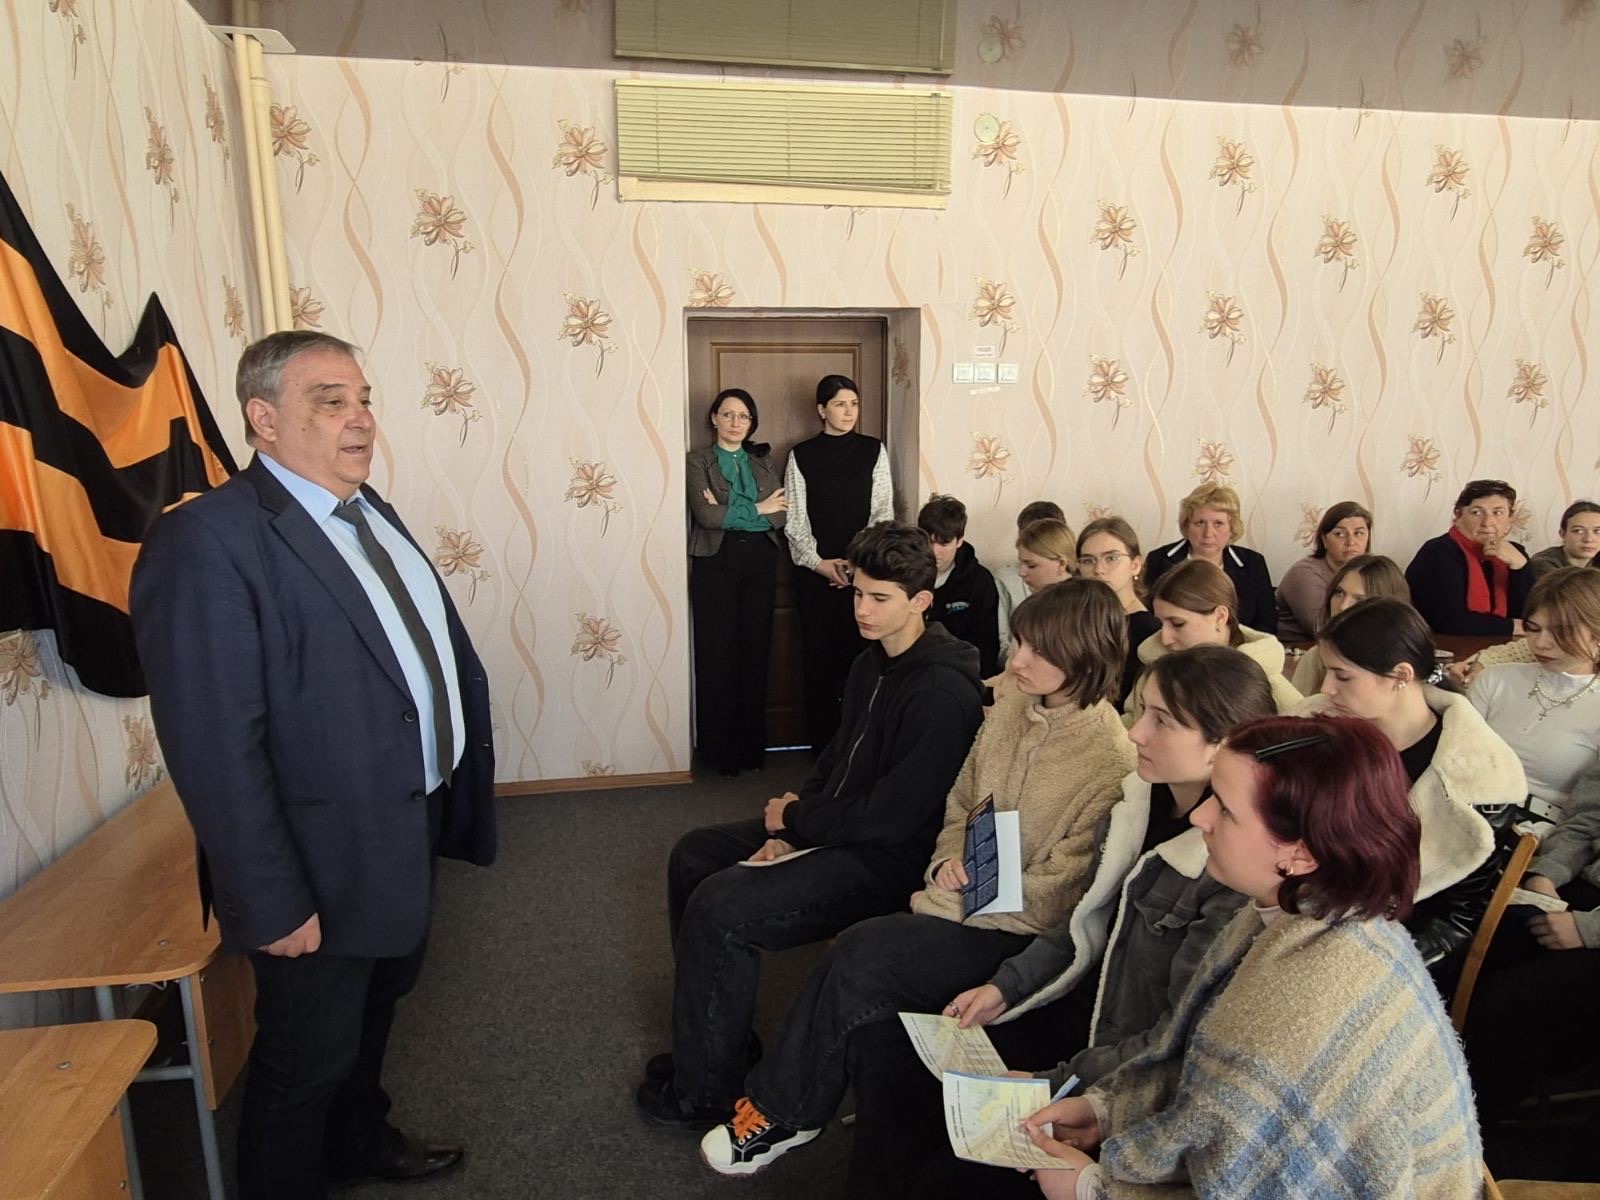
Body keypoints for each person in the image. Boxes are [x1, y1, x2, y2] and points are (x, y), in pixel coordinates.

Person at [129, 332, 496, 1199]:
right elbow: (215, 745)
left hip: (401, 820)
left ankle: (355, 1141)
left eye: (363, 399)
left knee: (377, 1008)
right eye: (331, 402)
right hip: (314, 860)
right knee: (305, 1059)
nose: (360, 419)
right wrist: (270, 897)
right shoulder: (208, 540)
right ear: (263, 419)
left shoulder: (368, 511)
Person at [696, 579, 1135, 1176]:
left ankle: (784, 1113)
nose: (1017, 661)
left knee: (864, 951)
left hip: (1014, 931)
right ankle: (781, 1107)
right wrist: (945, 862)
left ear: (1085, 658)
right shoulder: (1011, 710)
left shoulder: (1110, 759)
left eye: (1038, 651)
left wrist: (960, 897)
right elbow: (961, 803)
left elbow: (1064, 892)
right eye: (1020, 643)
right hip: (957, 894)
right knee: (858, 948)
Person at [843, 646, 1277, 1200]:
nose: (1136, 732)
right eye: (1140, 710)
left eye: (1161, 721)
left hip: (1118, 1057)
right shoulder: (1135, 805)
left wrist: (1058, 1081)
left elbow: (1171, 1038)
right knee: (888, 1050)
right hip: (1078, 1007)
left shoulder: (1230, 865)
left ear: (1224, 744)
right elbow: (1080, 924)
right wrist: (1005, 987)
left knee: (953, 1123)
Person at [1019, 716, 1483, 1200]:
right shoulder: (1305, 913)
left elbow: (1260, 1180)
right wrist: (1106, 1113)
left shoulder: (1310, 1010)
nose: (1200, 817)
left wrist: (1093, 1189)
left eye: (1225, 808)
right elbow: (1216, 1089)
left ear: (1300, 855)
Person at [639, 522, 984, 1128]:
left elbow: (892, 820)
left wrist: (800, 821)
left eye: (880, 598)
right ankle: (717, 1044)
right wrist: (788, 832)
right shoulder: (870, 664)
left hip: (889, 858)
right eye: (858, 593)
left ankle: (706, 1092)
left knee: (722, 908)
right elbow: (834, 761)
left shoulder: (940, 694)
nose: (863, 610)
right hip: (837, 827)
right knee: (694, 855)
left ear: (921, 602)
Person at [1304, 597, 1527, 991]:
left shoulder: (1479, 779)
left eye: (1342, 675)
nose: (1326, 687)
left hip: (1399, 948)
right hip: (1309, 912)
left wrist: (1363, 966)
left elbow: (1457, 920)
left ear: (1400, 676)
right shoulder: (1315, 730)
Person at [1465, 755, 1600, 1136]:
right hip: (1581, 888)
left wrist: (1588, 930)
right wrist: (1545, 876)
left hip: (1593, 929)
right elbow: (1585, 821)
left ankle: (1461, 1138)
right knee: (1469, 948)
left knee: (1510, 1003)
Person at [784, 374, 894, 751]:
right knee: (818, 661)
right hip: (815, 576)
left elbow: (882, 511)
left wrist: (856, 565)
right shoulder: (801, 455)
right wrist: (820, 563)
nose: (849, 412)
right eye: (839, 404)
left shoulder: (873, 450)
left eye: (854, 404)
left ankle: (859, 746)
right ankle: (822, 748)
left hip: (865, 575)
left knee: (862, 660)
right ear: (822, 410)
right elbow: (795, 520)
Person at [686, 389, 789, 776]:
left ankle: (750, 750)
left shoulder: (762, 462)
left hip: (760, 561)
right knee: (717, 656)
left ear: (751, 423)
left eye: (743, 416)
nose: (735, 422)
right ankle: (720, 754)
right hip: (715, 563)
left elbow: (780, 516)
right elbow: (706, 516)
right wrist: (758, 508)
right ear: (714, 418)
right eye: (728, 414)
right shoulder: (697, 460)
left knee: (755, 652)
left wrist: (732, 511)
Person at [1469, 567, 1600, 821]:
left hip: (1551, 831)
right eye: (1533, 628)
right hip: (1470, 814)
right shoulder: (1495, 680)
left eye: (1560, 632)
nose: (1540, 643)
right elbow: (1457, 759)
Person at [1124, 559, 1302, 722]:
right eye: (1161, 624)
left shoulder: (1265, 681)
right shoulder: (1153, 671)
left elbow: (1305, 733)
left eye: (1178, 624)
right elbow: (1128, 728)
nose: (1165, 638)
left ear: (1220, 617)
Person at [1142, 483, 1277, 634]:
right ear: (1186, 526)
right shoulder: (1159, 560)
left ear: (1232, 528)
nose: (1208, 533)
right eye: (1200, 523)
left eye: (1218, 524)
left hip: (1239, 647)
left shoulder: (1253, 563)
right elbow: (1149, 621)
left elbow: (1266, 626)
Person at [1405, 478, 1534, 636]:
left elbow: (1532, 616)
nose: (1487, 522)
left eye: (1497, 513)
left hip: (1504, 645)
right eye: (1476, 512)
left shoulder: (1515, 552)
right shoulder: (1438, 552)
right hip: (1447, 646)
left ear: (1509, 520)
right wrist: (1511, 626)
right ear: (1458, 515)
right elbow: (1450, 621)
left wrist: (1520, 566)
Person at [1290, 554, 1410, 694]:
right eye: (1339, 592)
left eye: (1360, 599)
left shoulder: (1403, 664)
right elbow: (1295, 706)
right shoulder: (1315, 658)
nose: (1343, 606)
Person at [1075, 517, 1160, 706]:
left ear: (1135, 565)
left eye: (1111, 558)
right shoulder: (1077, 620)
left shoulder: (1148, 629)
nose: (1098, 569)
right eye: (1088, 560)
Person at [918, 493, 1001, 677]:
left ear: (959, 541)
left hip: (960, 675)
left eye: (944, 543)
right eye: (928, 541)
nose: (934, 551)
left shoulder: (980, 581)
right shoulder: (904, 574)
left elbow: (987, 644)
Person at [1273, 500, 1372, 641]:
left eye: (1359, 533)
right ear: (1324, 540)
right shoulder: (1304, 573)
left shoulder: (1372, 571)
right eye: (1340, 534)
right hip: (1298, 647)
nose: (1351, 542)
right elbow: (1322, 629)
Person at [996, 501, 1067, 656]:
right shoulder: (1006, 580)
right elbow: (1001, 644)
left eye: (1031, 565)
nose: (1022, 573)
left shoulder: (1085, 598)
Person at [1529, 499, 1600, 579]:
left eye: (1598, 531)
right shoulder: (1544, 563)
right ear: (1563, 534)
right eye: (1578, 531)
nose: (1588, 539)